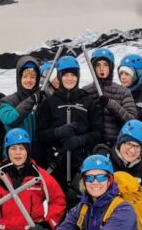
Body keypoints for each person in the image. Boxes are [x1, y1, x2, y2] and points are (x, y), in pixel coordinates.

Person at [36, 55, 103, 196]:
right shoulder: (49, 103)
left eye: (73, 75)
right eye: (65, 75)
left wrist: (80, 140)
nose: (69, 79)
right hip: (55, 164)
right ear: (59, 77)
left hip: (81, 164)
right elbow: (40, 134)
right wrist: (58, 132)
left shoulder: (88, 101)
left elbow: (98, 132)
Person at [83, 48, 137, 147]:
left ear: (111, 67)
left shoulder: (123, 92)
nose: (101, 68)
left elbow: (132, 121)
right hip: (90, 146)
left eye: (105, 65)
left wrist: (110, 104)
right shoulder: (85, 91)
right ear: (93, 68)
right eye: (98, 65)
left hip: (115, 146)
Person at [0, 55, 42, 143]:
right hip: (15, 151)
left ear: (37, 79)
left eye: (32, 77)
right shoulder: (7, 101)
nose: (29, 80)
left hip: (38, 152)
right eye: (25, 76)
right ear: (19, 78)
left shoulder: (42, 100)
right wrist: (32, 100)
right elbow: (9, 120)